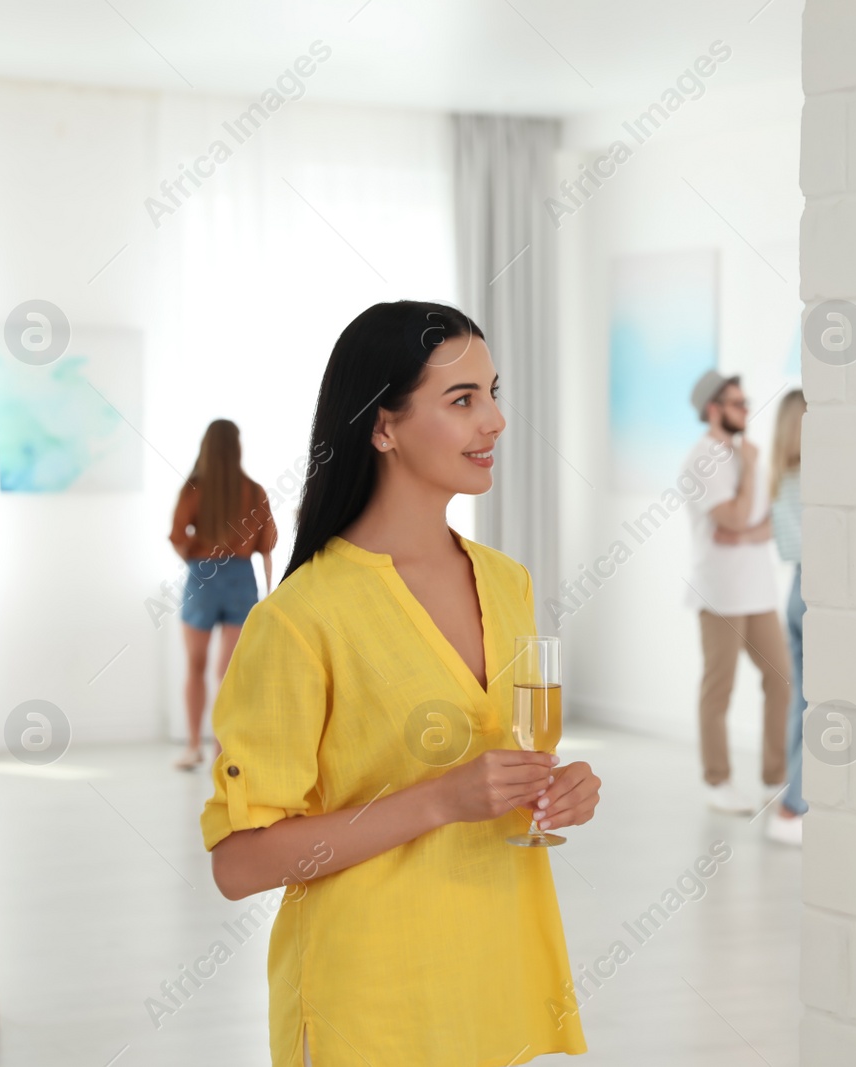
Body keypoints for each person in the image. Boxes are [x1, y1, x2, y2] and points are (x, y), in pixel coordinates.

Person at [201, 301, 600, 1066]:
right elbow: (238, 863)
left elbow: (505, 758)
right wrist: (441, 799)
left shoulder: (506, 582)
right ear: (383, 426)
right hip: (372, 1005)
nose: (496, 421)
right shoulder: (299, 618)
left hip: (496, 981)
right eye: (462, 400)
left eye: (493, 392)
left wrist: (562, 787)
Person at [682, 370, 792, 815]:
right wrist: (747, 472)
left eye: (746, 403)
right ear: (713, 409)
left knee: (782, 679)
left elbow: (771, 521)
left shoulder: (749, 456)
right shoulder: (702, 459)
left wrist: (745, 532)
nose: (746, 410)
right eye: (737, 403)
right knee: (719, 688)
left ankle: (774, 778)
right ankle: (717, 781)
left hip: (758, 590)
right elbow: (732, 517)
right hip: (720, 593)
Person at [169, 419, 276, 771]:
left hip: (202, 575)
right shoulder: (254, 491)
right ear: (237, 447)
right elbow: (267, 544)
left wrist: (196, 554)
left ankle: (192, 748)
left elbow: (176, 534)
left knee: (195, 666)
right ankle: (221, 751)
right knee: (229, 673)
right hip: (241, 579)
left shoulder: (194, 488)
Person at [766, 389, 806, 846]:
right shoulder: (818, 478)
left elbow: (786, 546)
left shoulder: (779, 476)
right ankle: (797, 804)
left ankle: (792, 802)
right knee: (816, 706)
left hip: (794, 591)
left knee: (802, 703)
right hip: (815, 590)